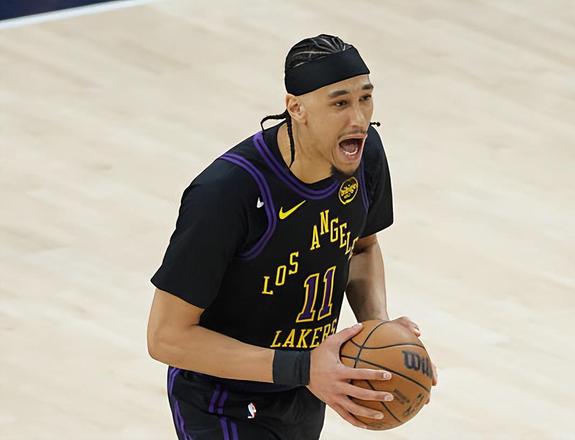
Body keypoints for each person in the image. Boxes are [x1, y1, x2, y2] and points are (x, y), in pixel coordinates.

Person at [147, 34, 436, 440]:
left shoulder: (363, 153)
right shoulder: (227, 193)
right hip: (222, 401)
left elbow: (362, 248)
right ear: (296, 108)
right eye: (340, 103)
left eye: (365, 99)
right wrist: (301, 367)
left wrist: (376, 329)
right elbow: (165, 337)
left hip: (305, 389)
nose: (358, 119)